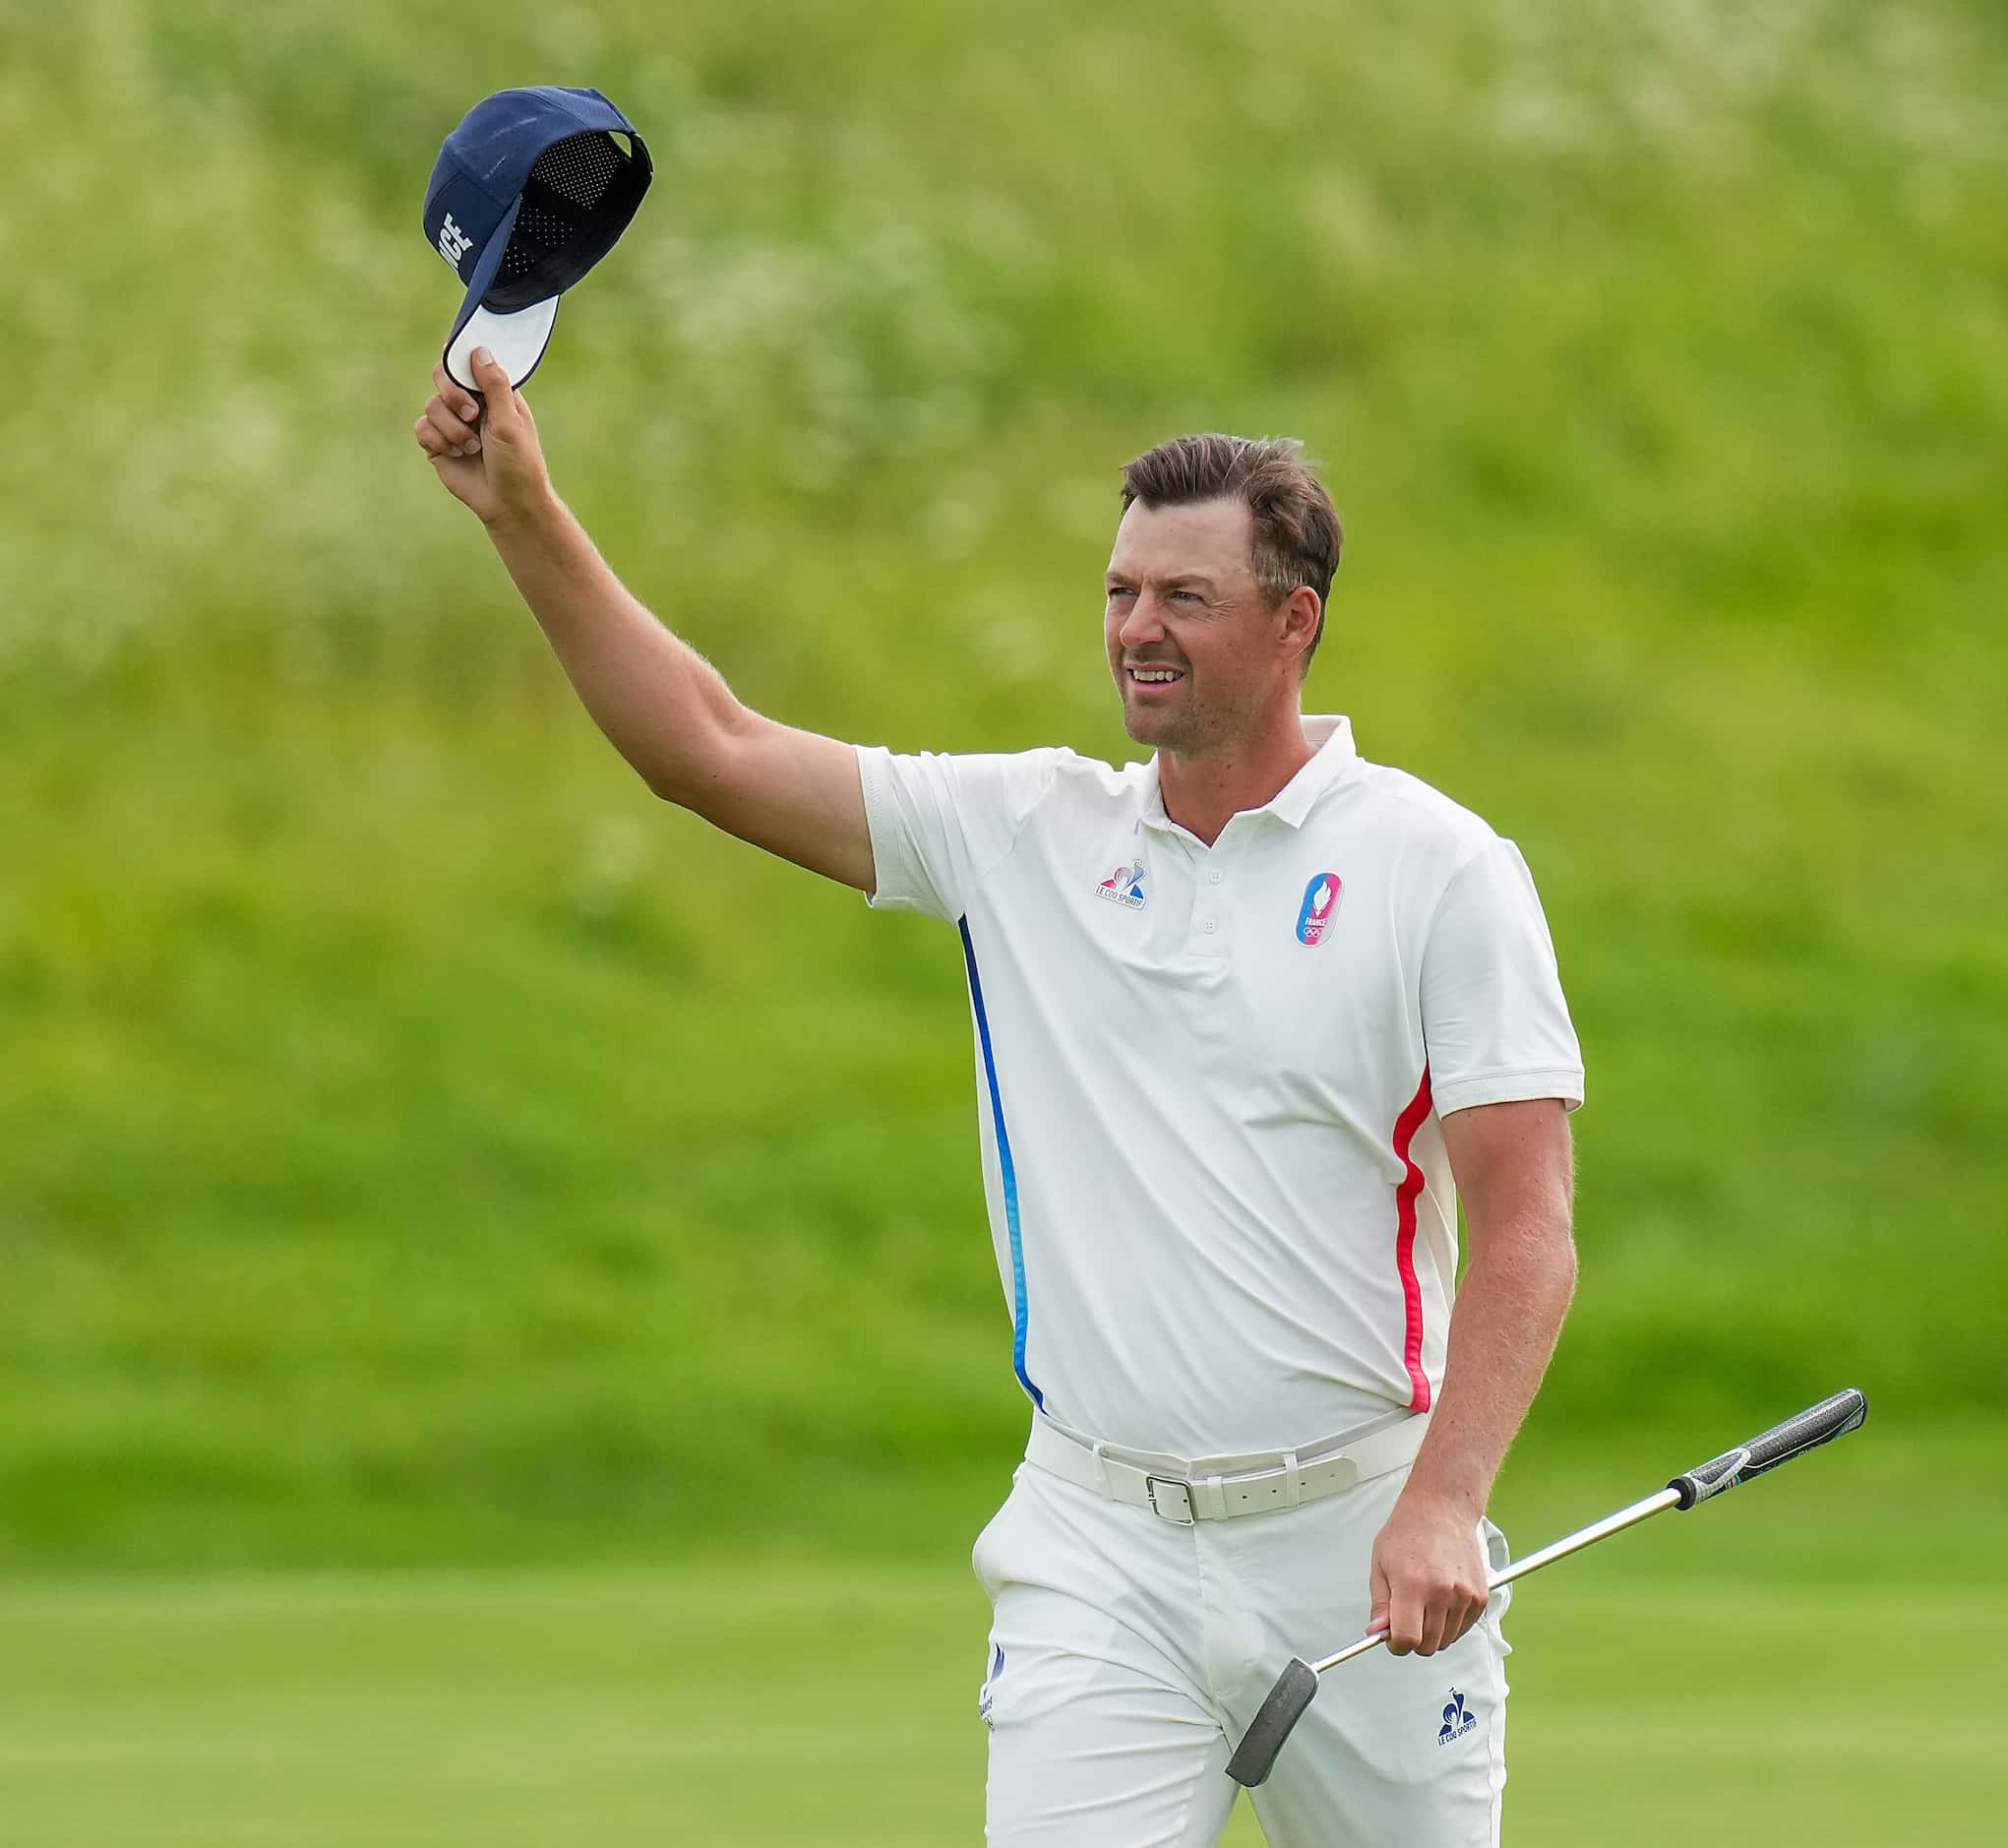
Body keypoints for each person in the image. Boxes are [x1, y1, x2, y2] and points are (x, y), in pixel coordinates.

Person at [414, 349, 1584, 1846]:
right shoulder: (1025, 829)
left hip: (1354, 1534)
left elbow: (1528, 1226)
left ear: (1296, 620)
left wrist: (1442, 1500)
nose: (1135, 630)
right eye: (1118, 592)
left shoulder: (1442, 868)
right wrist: (524, 515)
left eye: (1183, 597)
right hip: (1100, 1551)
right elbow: (707, 747)